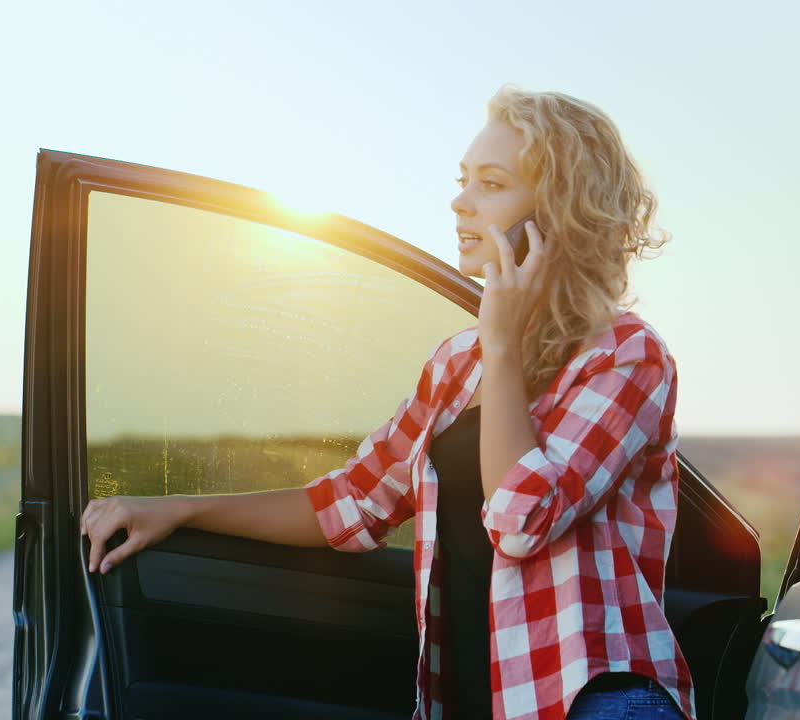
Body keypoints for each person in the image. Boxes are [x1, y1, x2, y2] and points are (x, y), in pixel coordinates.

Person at [80, 85, 694, 720]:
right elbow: (351, 502)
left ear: (561, 211)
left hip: (596, 702)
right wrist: (179, 508)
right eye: (463, 180)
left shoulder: (627, 355)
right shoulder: (457, 363)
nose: (460, 202)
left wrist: (502, 346)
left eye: (491, 184)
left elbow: (521, 520)